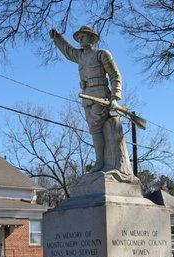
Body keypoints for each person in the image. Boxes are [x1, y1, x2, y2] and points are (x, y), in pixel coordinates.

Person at [49, 25, 122, 172]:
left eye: (83, 36)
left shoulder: (102, 54)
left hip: (101, 95)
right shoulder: (80, 56)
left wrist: (115, 96)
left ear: (92, 38)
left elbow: (115, 76)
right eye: (79, 37)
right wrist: (57, 38)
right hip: (86, 96)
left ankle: (101, 163)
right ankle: (101, 162)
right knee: (93, 130)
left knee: (95, 126)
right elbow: (68, 51)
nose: (80, 39)